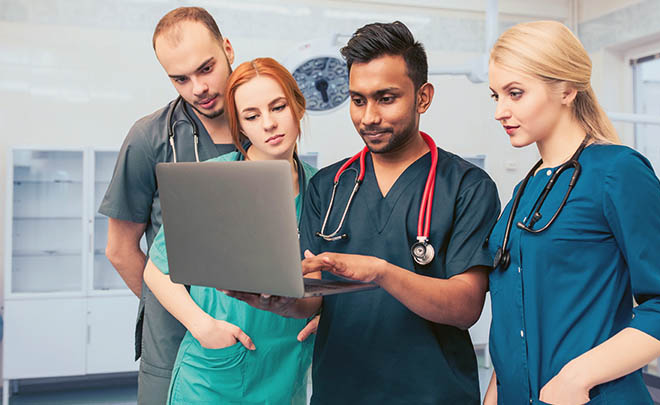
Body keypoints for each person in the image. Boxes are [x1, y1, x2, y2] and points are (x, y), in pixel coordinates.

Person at [227, 21, 501, 404]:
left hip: (433, 394)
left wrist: (381, 272)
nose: (368, 116)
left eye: (386, 98)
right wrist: (283, 302)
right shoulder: (328, 185)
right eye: (358, 100)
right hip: (341, 391)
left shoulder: (467, 186)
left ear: (423, 98)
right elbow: (315, 297)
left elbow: (466, 306)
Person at [483, 21, 660, 405]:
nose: (501, 110)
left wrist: (575, 379)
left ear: (566, 89)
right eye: (495, 95)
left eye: (515, 93)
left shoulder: (618, 171)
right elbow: (515, 314)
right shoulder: (524, 191)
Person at [143, 57, 318, 404]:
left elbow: (335, 276)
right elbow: (156, 270)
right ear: (242, 128)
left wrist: (326, 315)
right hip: (214, 373)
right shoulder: (212, 181)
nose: (268, 124)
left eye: (278, 107)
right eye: (252, 116)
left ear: (298, 105)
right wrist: (203, 327)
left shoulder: (326, 189)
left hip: (286, 370)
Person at [98, 7, 237, 404]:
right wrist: (179, 311)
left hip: (253, 331)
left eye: (206, 69)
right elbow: (120, 250)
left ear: (227, 49)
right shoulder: (150, 138)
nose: (198, 88)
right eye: (181, 79)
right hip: (176, 339)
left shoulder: (260, 128)